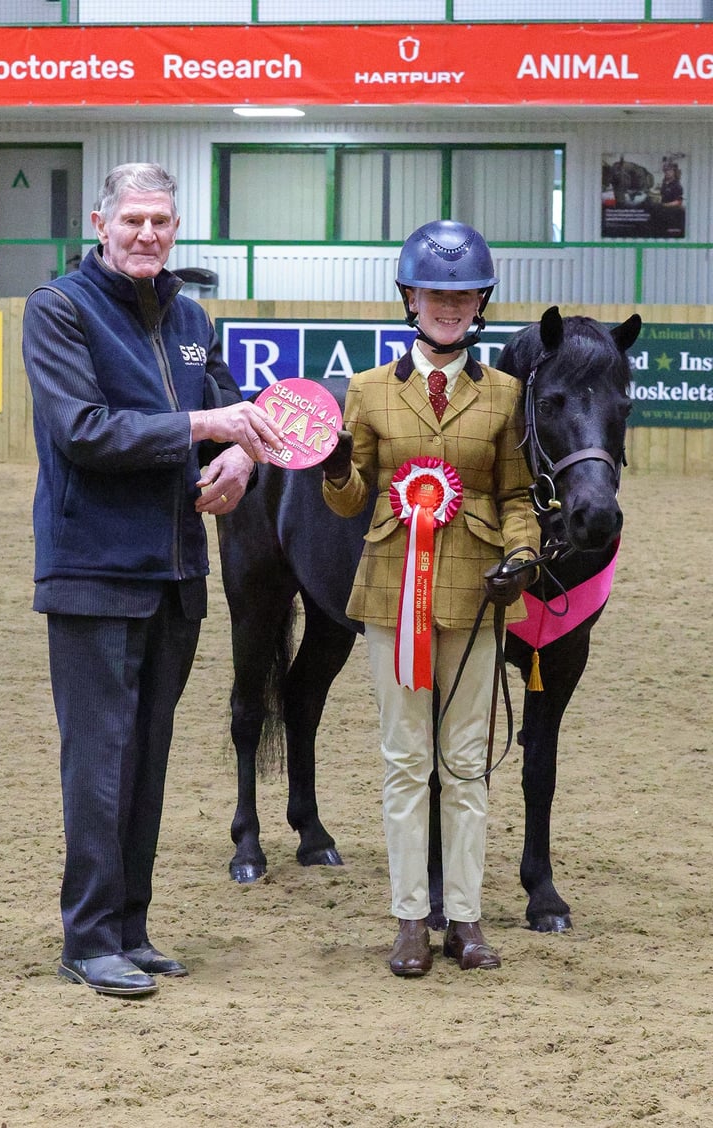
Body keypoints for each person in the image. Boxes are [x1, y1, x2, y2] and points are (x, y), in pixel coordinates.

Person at [22, 162, 284, 998]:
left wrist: (241, 455)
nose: (147, 234)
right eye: (132, 219)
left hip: (175, 571)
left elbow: (234, 408)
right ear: (99, 223)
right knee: (99, 762)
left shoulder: (191, 315)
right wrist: (208, 425)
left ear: (176, 229)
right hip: (93, 571)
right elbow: (85, 432)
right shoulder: (58, 310)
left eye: (161, 221)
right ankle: (87, 936)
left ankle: (130, 927)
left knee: (147, 759)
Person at [321, 220, 540, 977]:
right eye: (434, 293)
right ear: (410, 298)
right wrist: (336, 467)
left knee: (465, 762)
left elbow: (516, 494)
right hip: (392, 595)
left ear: (481, 302)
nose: (448, 306)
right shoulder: (368, 390)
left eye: (463, 295)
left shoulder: (506, 396)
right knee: (405, 761)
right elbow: (351, 504)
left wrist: (523, 553)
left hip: (478, 596)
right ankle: (412, 918)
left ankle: (468, 920)